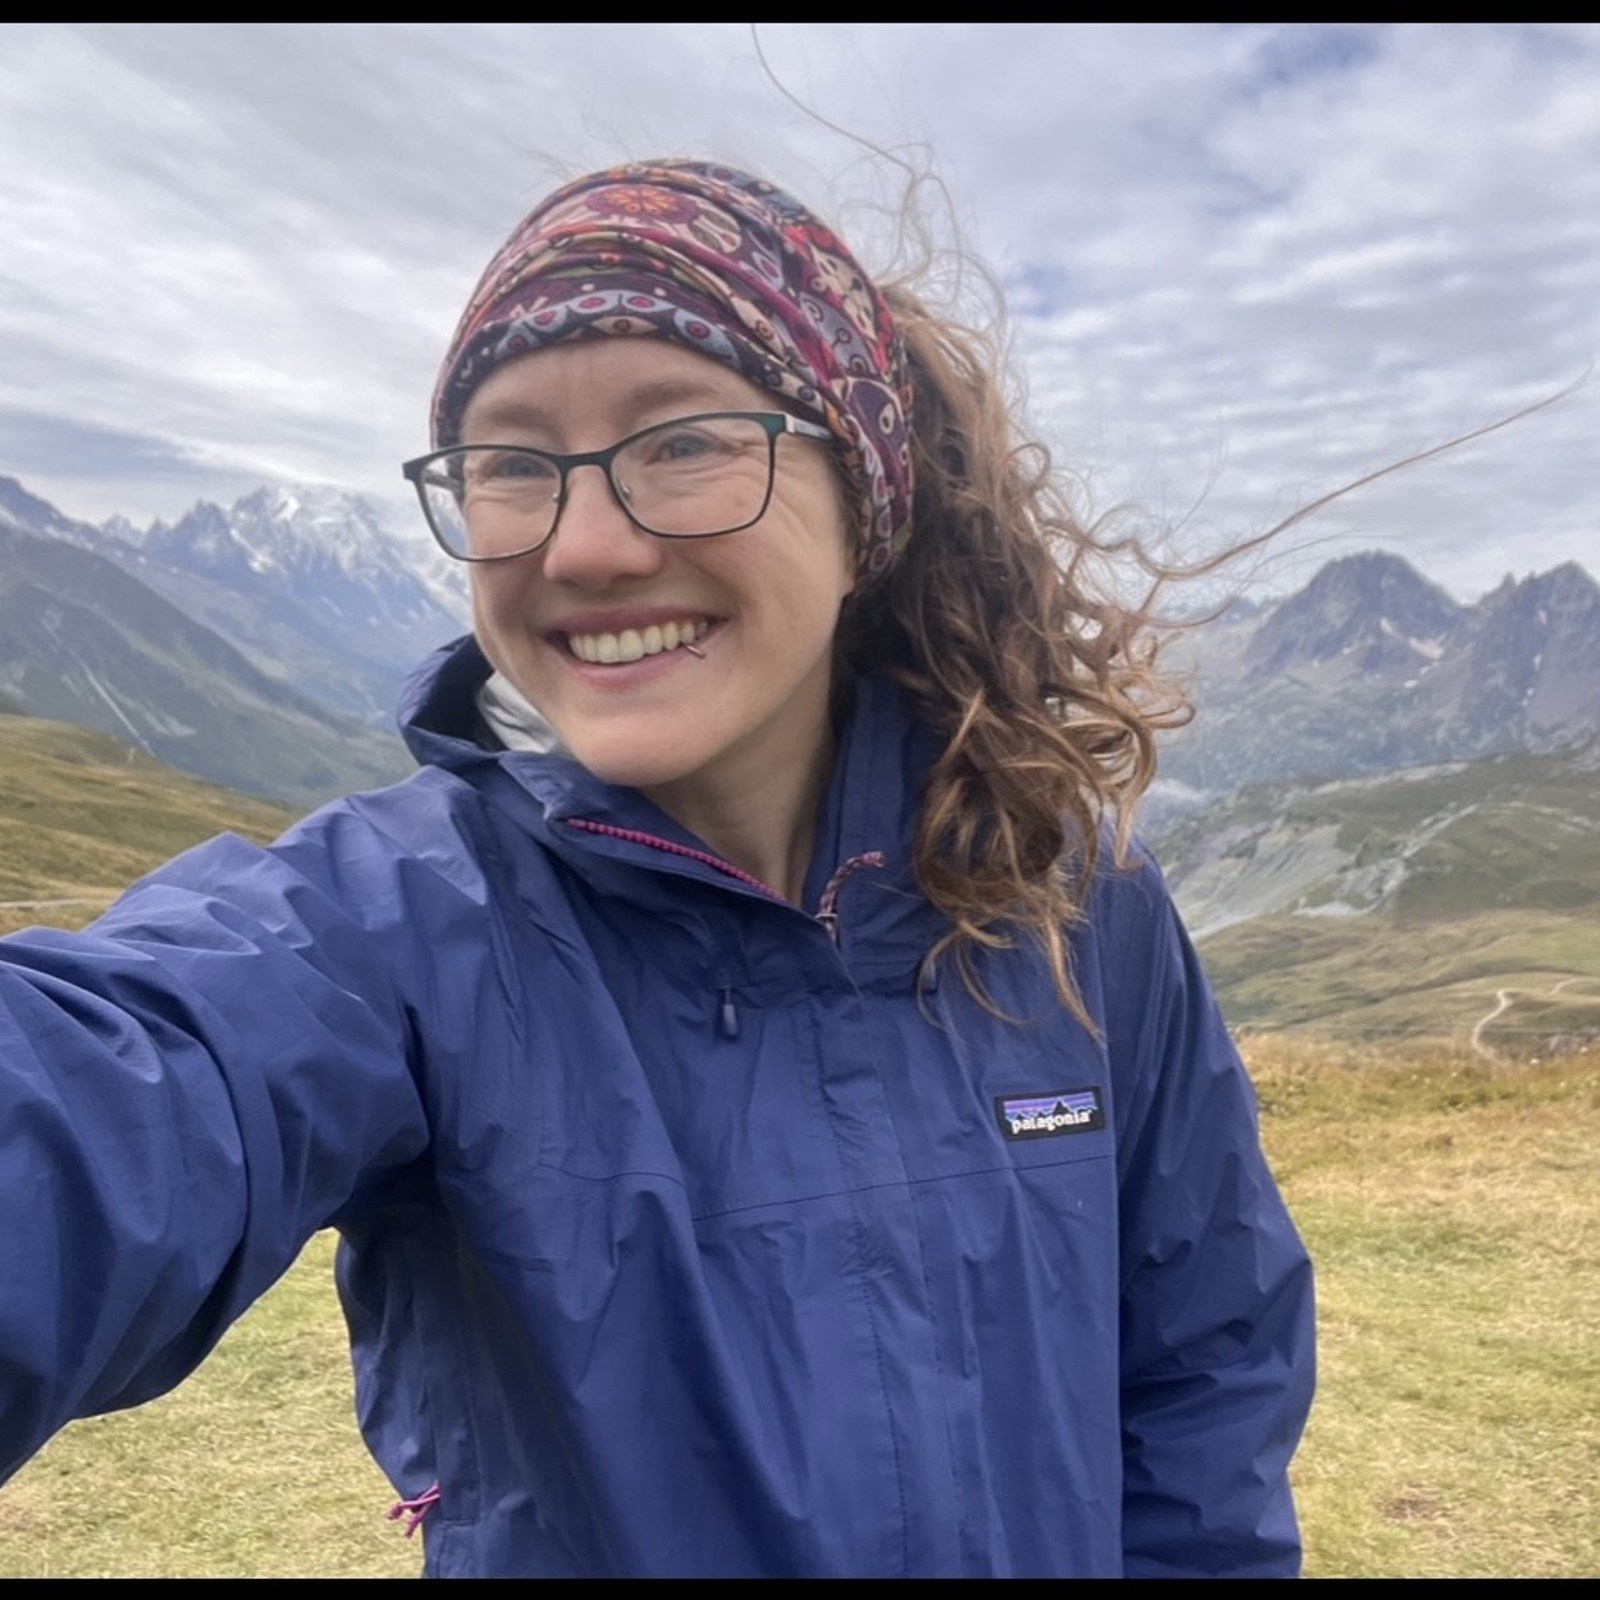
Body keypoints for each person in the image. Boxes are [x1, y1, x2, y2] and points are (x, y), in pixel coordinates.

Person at [0, 159, 1313, 1578]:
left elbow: (1207, 1371)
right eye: (510, 463)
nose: (587, 545)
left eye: (683, 442)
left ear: (865, 498)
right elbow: (118, 1091)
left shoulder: (1073, 902)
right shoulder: (405, 934)